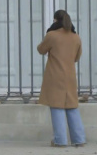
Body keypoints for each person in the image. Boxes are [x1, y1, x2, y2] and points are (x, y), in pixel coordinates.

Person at [37, 9, 86, 147]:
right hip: (70, 76)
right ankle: (79, 139)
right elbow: (77, 57)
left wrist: (49, 33)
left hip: (55, 75)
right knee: (72, 106)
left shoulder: (52, 35)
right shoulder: (76, 37)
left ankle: (60, 140)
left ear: (55, 20)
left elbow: (41, 49)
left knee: (56, 106)